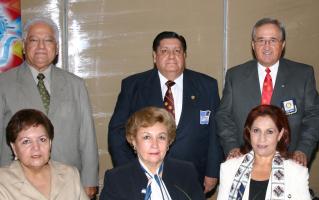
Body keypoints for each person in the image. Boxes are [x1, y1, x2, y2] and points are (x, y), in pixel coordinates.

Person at [108, 31, 222, 193]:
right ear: (155, 56)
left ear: (184, 55)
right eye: (164, 51)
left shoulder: (207, 86)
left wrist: (212, 172)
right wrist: (129, 170)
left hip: (193, 176)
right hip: (145, 175)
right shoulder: (133, 86)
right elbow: (117, 132)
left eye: (177, 51)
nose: (171, 56)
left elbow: (214, 133)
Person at [0, 17, 98, 198]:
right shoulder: (4, 83)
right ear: (23, 45)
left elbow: (87, 135)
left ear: (57, 47)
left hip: (69, 183)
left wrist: (89, 179)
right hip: (17, 184)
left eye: (48, 40)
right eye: (34, 40)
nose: (41, 46)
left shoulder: (75, 84)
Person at [216, 17, 319, 166]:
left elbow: (313, 116)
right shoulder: (235, 76)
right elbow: (223, 116)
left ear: (283, 44)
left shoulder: (302, 74)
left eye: (273, 40)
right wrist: (232, 147)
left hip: (290, 161)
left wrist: (303, 149)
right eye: (260, 40)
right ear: (253, 45)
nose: (266, 46)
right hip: (244, 160)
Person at [101, 107, 205, 199]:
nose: (155, 145)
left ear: (169, 142)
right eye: (147, 137)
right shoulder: (116, 180)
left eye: (161, 137)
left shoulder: (186, 172)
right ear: (133, 141)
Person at [217, 105, 310, 199]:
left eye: (269, 132)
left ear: (280, 134)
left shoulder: (297, 172)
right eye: (256, 130)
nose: (262, 138)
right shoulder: (229, 168)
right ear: (249, 132)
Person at [0, 109, 89, 200]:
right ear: (14, 148)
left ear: (50, 143)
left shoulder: (70, 174)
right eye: (26, 141)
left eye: (42, 139)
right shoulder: (2, 183)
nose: (36, 147)